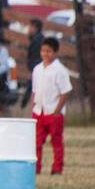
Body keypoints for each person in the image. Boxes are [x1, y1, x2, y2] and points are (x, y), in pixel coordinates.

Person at [31, 36, 72, 174]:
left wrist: (57, 111)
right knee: (36, 142)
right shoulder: (37, 69)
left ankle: (57, 168)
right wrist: (34, 107)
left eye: (48, 51)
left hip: (53, 113)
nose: (45, 54)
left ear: (55, 53)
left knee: (56, 142)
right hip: (39, 111)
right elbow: (35, 90)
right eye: (43, 51)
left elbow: (65, 92)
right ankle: (36, 168)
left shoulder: (60, 70)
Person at [20, 18, 44, 110]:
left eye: (30, 26)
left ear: (35, 27)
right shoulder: (37, 39)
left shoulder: (37, 41)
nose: (28, 29)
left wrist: (33, 70)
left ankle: (24, 107)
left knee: (32, 89)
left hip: (37, 70)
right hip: (36, 69)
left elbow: (36, 58)